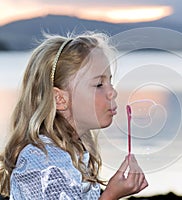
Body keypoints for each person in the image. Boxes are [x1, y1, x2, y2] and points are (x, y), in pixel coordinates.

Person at [0, 32, 148, 199]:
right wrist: (111, 195)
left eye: (110, 82)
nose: (112, 92)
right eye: (99, 84)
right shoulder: (42, 163)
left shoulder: (69, 154)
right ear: (60, 99)